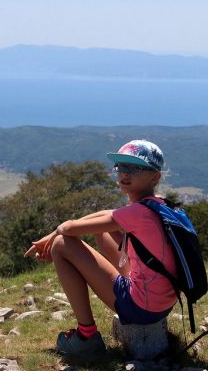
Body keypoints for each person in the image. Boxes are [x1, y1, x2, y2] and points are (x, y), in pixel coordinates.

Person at [24, 139, 178, 358]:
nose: (125, 173)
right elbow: (106, 215)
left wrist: (55, 236)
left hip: (142, 308)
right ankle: (90, 332)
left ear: (155, 177)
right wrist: (55, 232)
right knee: (101, 230)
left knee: (61, 245)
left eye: (135, 168)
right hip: (161, 302)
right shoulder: (159, 204)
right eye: (121, 167)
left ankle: (86, 337)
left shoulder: (137, 213)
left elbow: (69, 229)